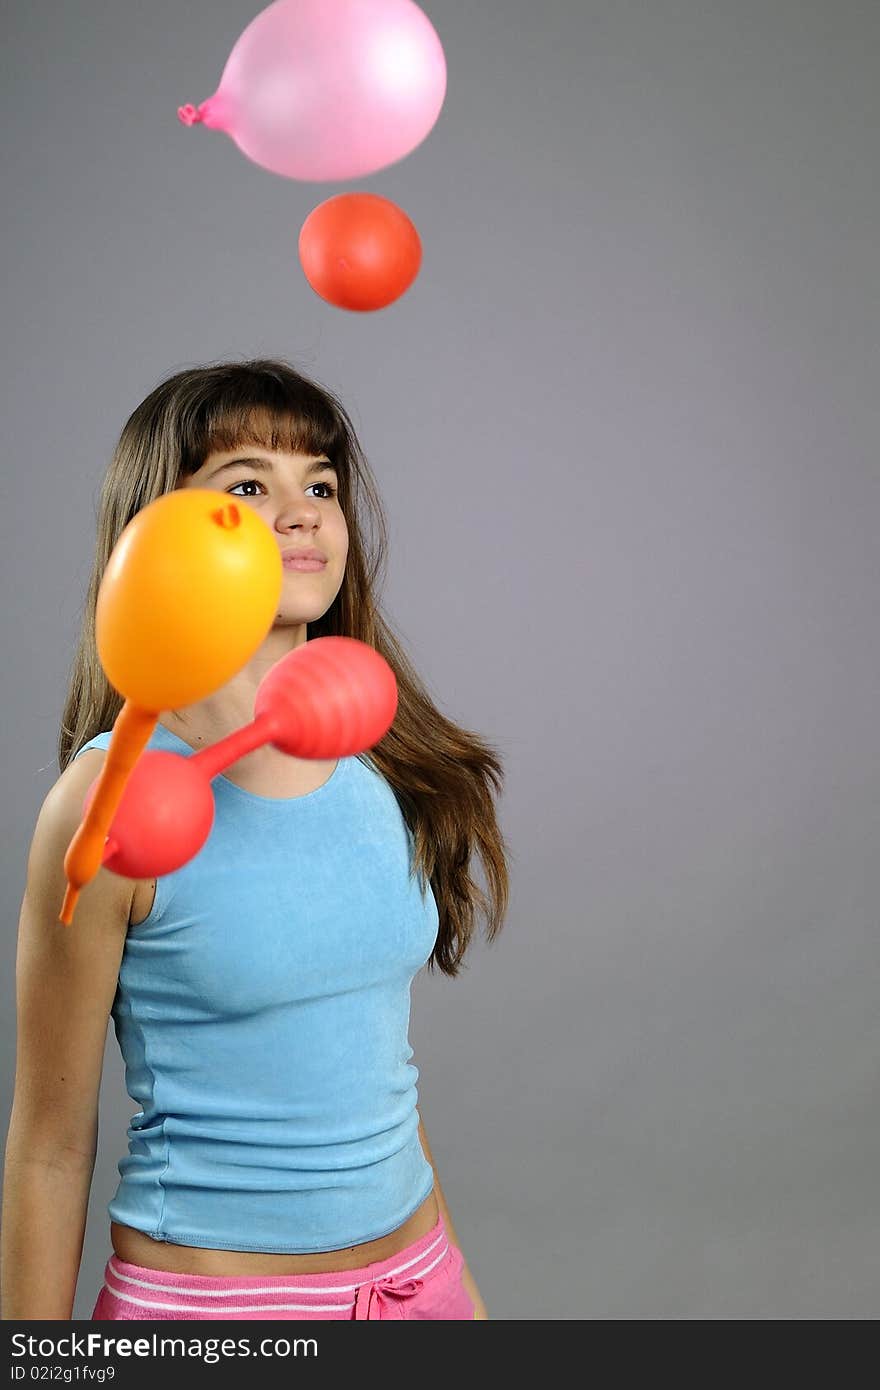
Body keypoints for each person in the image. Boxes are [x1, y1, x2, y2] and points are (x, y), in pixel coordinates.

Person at [0, 359, 510, 1321]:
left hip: (416, 1285)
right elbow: (50, 1143)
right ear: (153, 533)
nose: (302, 511)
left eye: (319, 483)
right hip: (213, 1320)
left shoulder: (381, 762)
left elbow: (372, 1073)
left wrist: (461, 1299)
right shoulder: (104, 804)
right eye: (245, 485)